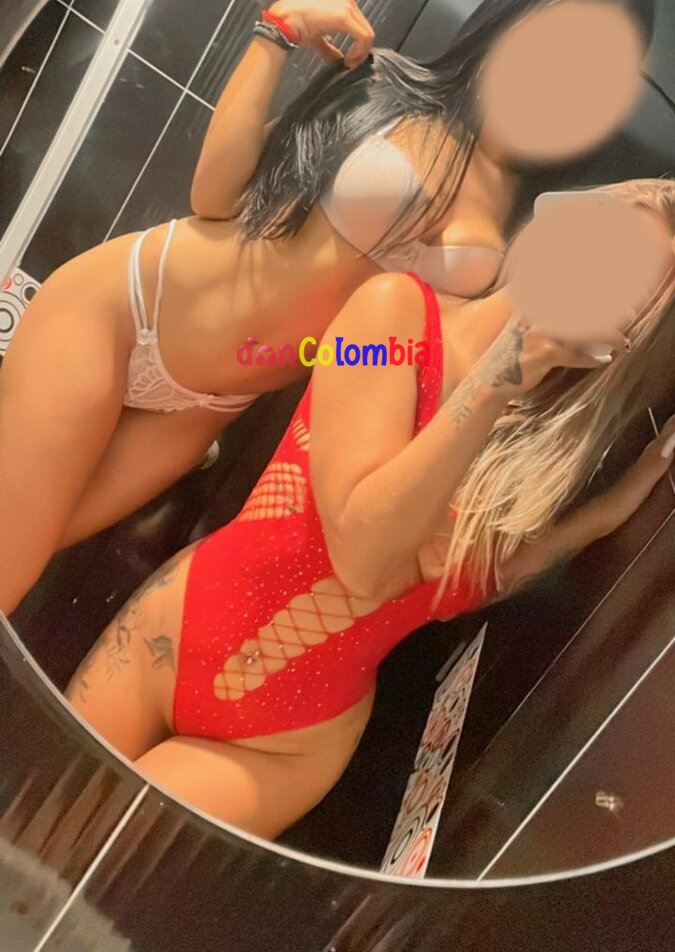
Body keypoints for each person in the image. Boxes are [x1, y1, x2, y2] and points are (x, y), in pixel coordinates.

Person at [0, 0, 655, 614]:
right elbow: (215, 198)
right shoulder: (387, 84)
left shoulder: (525, 220)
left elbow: (380, 352)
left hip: (207, 406)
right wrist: (274, 32)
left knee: (20, 559)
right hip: (128, 311)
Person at [65, 178, 675, 840]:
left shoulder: (532, 463)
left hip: (282, 743)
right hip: (166, 638)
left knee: (93, 868)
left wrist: (614, 506)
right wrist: (499, 373)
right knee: (34, 835)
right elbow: (361, 553)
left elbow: (494, 570)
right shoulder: (390, 318)